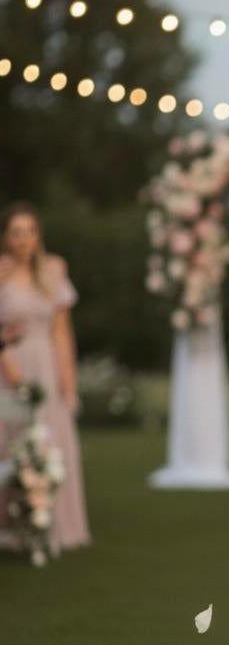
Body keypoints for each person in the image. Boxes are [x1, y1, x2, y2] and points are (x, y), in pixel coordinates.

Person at [0, 202, 91, 553]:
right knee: (11, 441)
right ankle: (14, 528)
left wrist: (68, 385)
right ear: (7, 238)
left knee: (51, 440)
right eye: (16, 233)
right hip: (9, 366)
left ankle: (55, 528)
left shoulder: (53, 270)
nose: (24, 240)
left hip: (46, 365)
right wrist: (16, 378)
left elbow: (61, 334)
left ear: (39, 235)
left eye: (30, 231)